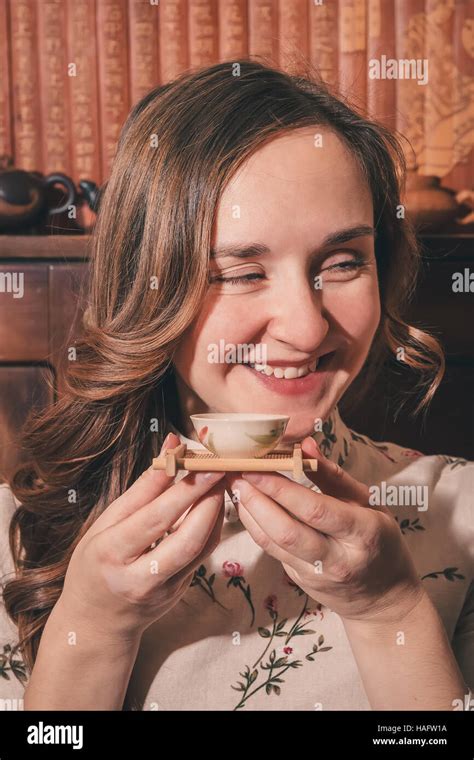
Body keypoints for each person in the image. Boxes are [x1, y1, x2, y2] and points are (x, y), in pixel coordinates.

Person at [0, 61, 472, 712]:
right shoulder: (16, 535)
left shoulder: (464, 516)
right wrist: (93, 633)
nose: (307, 329)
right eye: (241, 272)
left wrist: (391, 613)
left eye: (342, 262)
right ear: (149, 289)